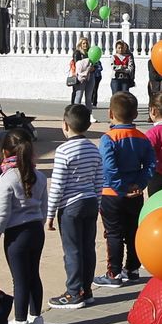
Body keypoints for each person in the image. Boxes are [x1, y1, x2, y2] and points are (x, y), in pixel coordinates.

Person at [0, 128, 46, 324]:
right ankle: (35, 318)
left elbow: (1, 212)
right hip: (36, 231)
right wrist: (42, 221)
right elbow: (44, 205)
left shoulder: (7, 178)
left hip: (16, 235)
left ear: (5, 153)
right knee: (33, 274)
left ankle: (20, 322)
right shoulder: (39, 175)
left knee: (19, 279)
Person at [95, 91, 157, 288]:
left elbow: (109, 167)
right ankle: (132, 269)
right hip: (135, 193)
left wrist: (121, 188)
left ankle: (113, 273)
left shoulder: (108, 138)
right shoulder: (142, 137)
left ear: (110, 113)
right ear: (135, 114)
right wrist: (139, 184)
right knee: (132, 231)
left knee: (113, 233)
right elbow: (150, 165)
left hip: (112, 194)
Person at [47, 104, 103, 310]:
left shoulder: (63, 150)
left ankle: (73, 293)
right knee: (88, 247)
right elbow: (99, 180)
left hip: (70, 206)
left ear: (65, 125)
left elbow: (58, 184)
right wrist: (96, 203)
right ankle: (86, 290)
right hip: (90, 203)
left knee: (72, 250)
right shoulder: (93, 148)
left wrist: (50, 213)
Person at [68, 40, 91, 106]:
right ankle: (74, 110)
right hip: (79, 76)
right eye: (83, 43)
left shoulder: (89, 53)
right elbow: (77, 65)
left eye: (86, 43)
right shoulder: (77, 53)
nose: (85, 45)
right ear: (80, 44)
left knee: (88, 97)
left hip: (89, 76)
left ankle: (89, 114)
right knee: (78, 95)